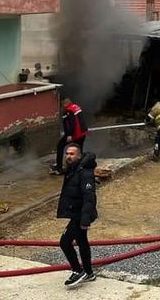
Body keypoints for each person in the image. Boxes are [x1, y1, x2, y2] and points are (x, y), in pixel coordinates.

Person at [56, 142, 98, 288]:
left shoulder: (84, 172)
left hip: (81, 215)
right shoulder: (73, 169)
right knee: (81, 241)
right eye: (67, 154)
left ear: (79, 156)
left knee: (64, 242)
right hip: (76, 213)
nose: (68, 156)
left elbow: (89, 197)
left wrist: (85, 219)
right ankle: (88, 273)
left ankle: (77, 270)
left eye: (72, 154)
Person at [51, 98, 89, 175]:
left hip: (75, 134)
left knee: (60, 146)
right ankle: (79, 167)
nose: (62, 108)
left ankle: (59, 168)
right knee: (79, 150)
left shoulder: (68, 110)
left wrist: (69, 135)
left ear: (65, 104)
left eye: (62, 106)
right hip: (83, 133)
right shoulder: (76, 107)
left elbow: (72, 123)